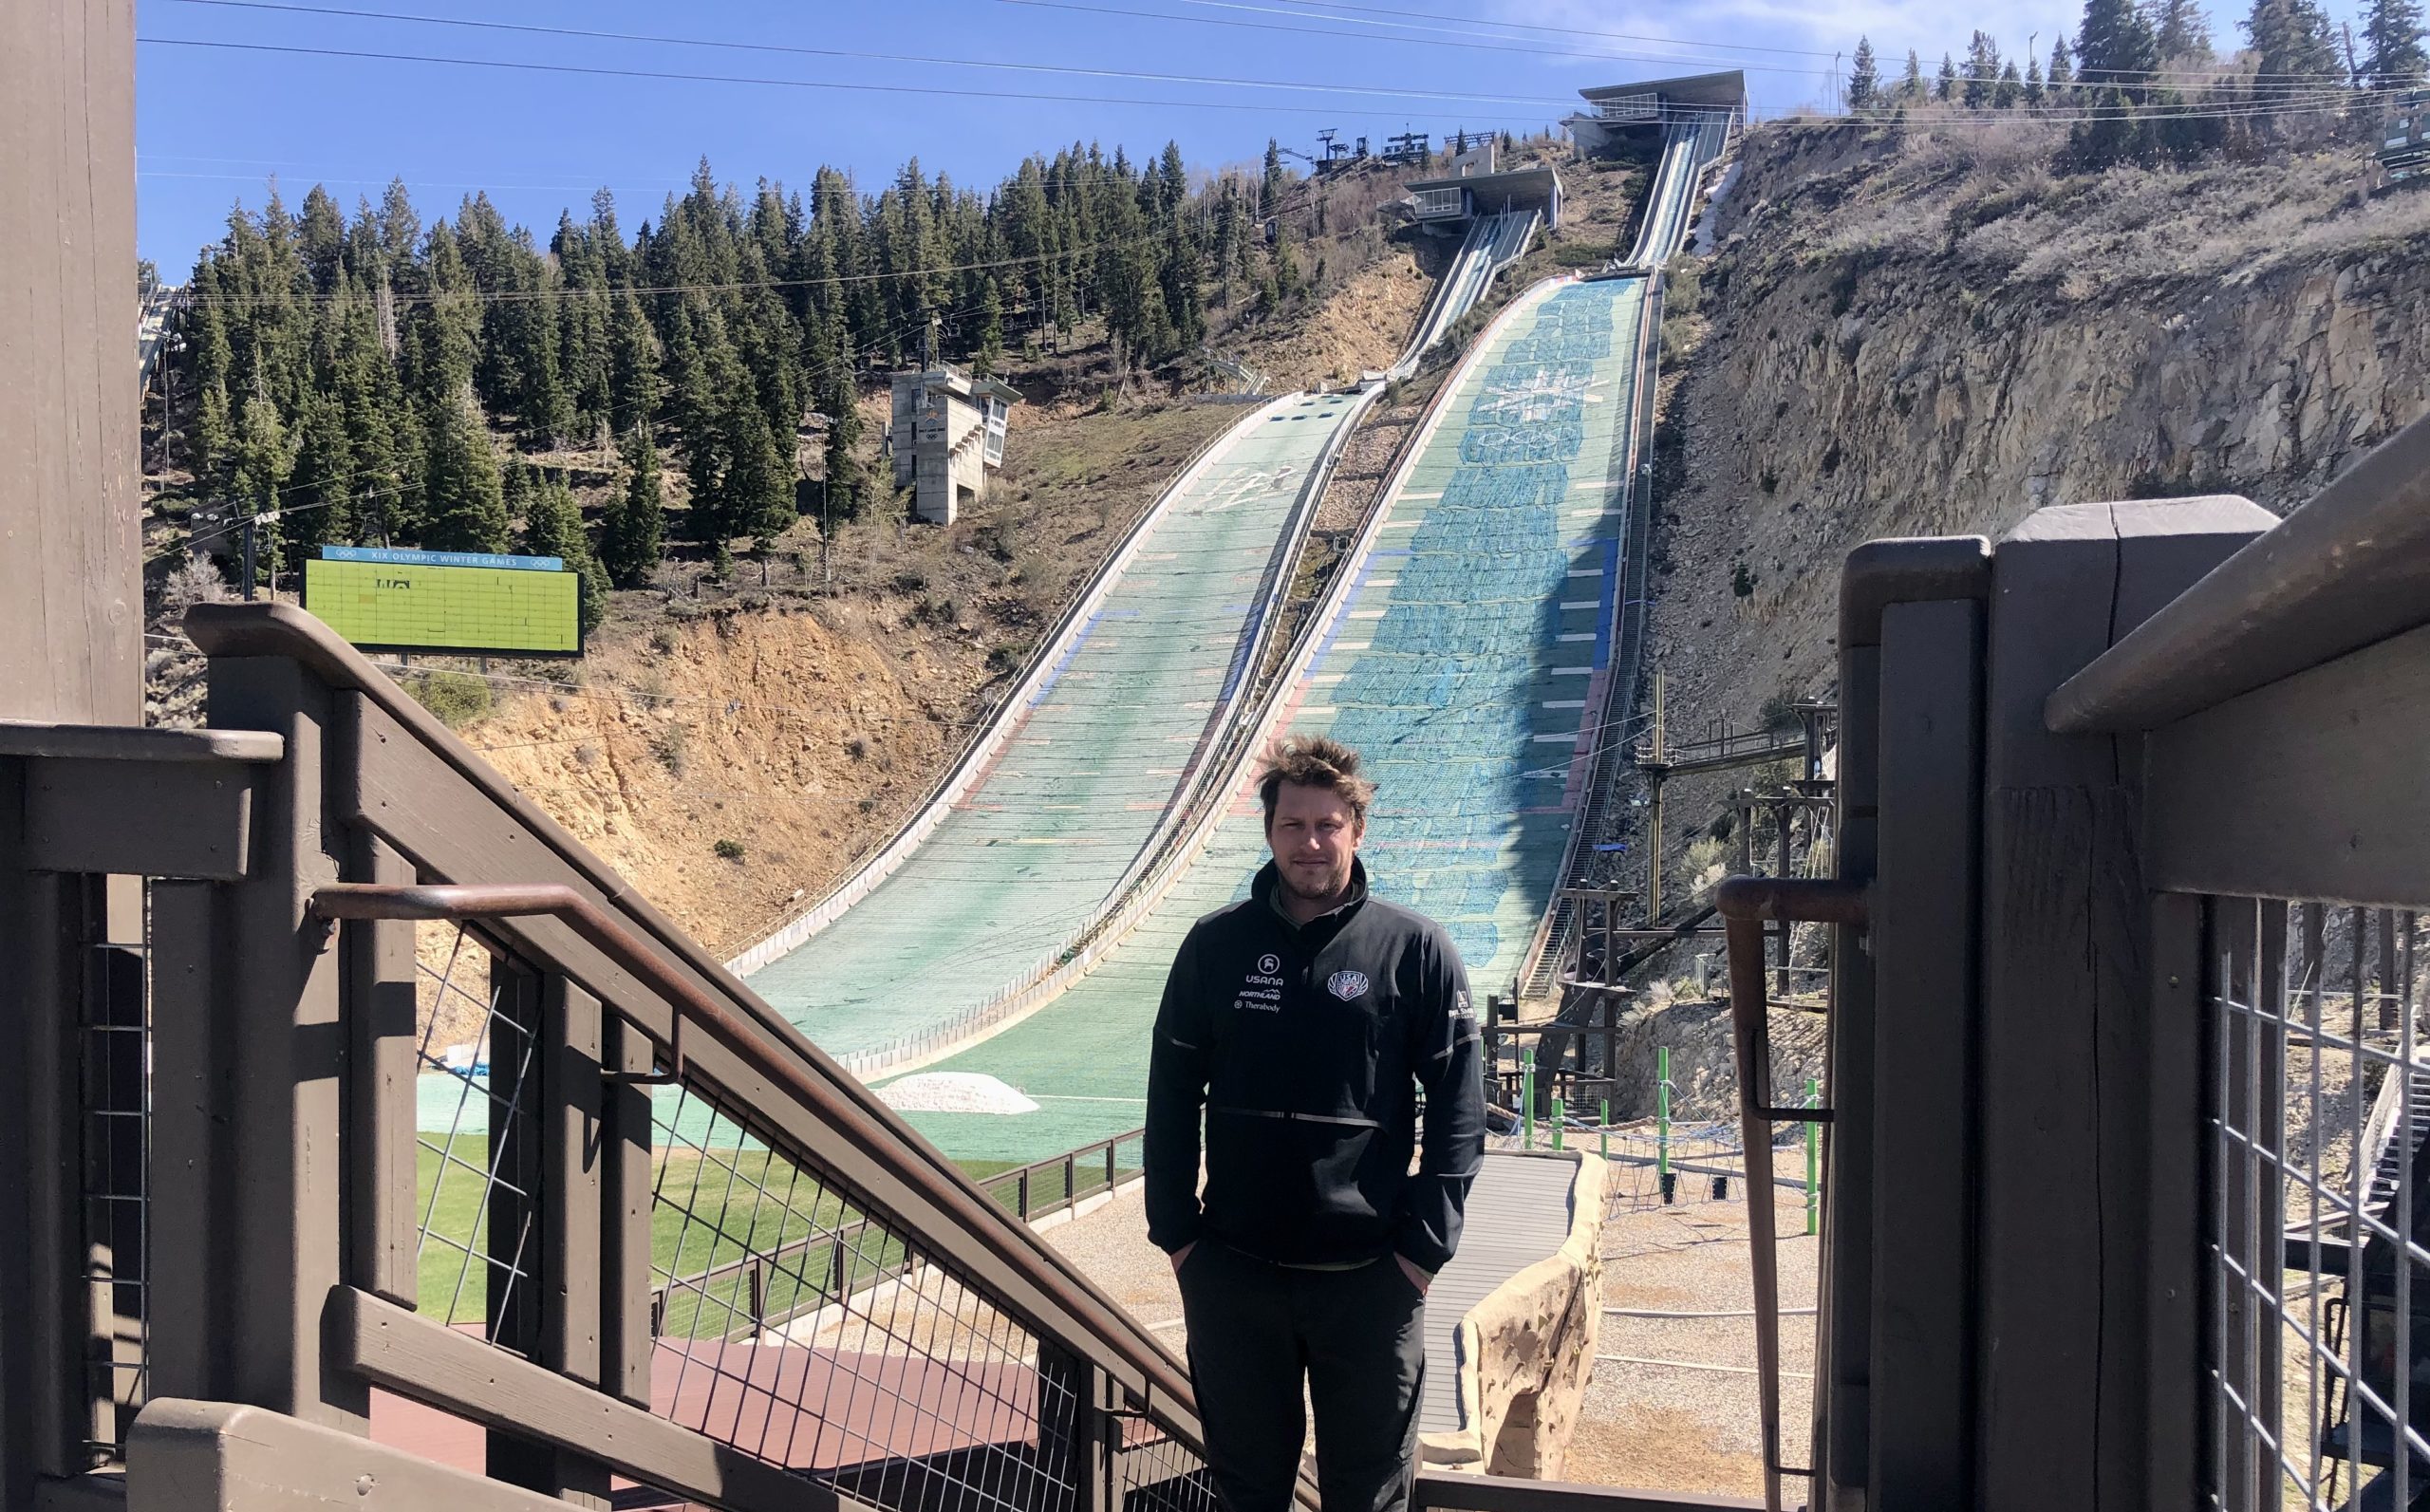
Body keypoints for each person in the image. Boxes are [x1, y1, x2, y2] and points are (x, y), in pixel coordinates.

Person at [1145, 734, 1485, 1512]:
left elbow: (1461, 1108)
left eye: (1328, 824)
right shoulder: (1215, 945)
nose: (1311, 842)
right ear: (1269, 832)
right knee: (1246, 1493)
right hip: (1234, 1275)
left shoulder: (1415, 948)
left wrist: (1422, 1251)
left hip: (1370, 1283)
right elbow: (1170, 1091)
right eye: (1294, 825)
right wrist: (1179, 1234)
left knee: (1366, 1499)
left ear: (1358, 831)